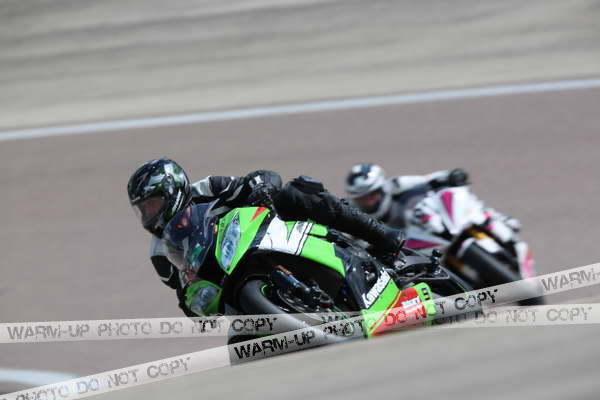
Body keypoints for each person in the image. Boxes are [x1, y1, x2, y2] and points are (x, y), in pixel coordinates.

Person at [127, 158, 404, 316]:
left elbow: (262, 178)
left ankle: (383, 237)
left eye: (152, 204)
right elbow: (183, 295)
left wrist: (262, 189)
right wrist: (193, 301)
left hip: (256, 235)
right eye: (142, 209)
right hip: (225, 280)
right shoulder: (159, 253)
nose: (148, 215)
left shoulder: (207, 188)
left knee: (297, 192)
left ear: (172, 190)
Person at [344, 163, 470, 229]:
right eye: (362, 198)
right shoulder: (353, 213)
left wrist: (450, 176)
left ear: (382, 188)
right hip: (411, 252)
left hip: (432, 227)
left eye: (372, 194)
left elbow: (428, 180)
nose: (368, 201)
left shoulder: (397, 184)